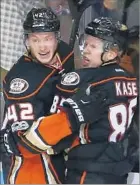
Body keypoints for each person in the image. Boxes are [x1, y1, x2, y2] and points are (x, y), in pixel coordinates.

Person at [1, 17, 138, 184]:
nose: (85, 50)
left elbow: (60, 129)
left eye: (92, 46)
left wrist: (21, 143)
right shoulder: (130, 80)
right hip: (118, 170)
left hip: (87, 171)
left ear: (111, 52)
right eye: (84, 43)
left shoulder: (88, 80)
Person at [0, 7, 74, 184]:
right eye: (35, 40)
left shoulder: (64, 53)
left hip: (55, 155)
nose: (42, 46)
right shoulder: (21, 81)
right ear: (26, 41)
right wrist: (74, 118)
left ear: (57, 38)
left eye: (48, 39)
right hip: (28, 164)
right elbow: (26, 143)